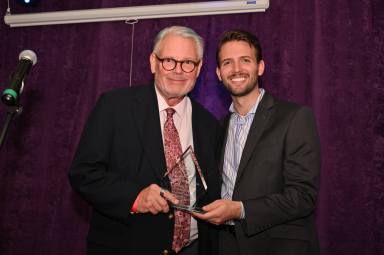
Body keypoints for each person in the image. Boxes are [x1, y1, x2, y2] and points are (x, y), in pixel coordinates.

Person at [69, 26, 220, 255]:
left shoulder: (210, 124)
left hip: (194, 248)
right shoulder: (115, 106)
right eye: (169, 60)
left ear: (198, 69)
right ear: (153, 62)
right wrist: (135, 197)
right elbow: (83, 173)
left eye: (188, 63)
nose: (178, 71)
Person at [193, 30, 321, 255]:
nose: (236, 70)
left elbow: (303, 197)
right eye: (227, 63)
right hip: (226, 246)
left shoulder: (295, 117)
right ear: (219, 73)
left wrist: (240, 210)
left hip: (278, 247)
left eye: (245, 60)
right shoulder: (218, 127)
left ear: (260, 67)